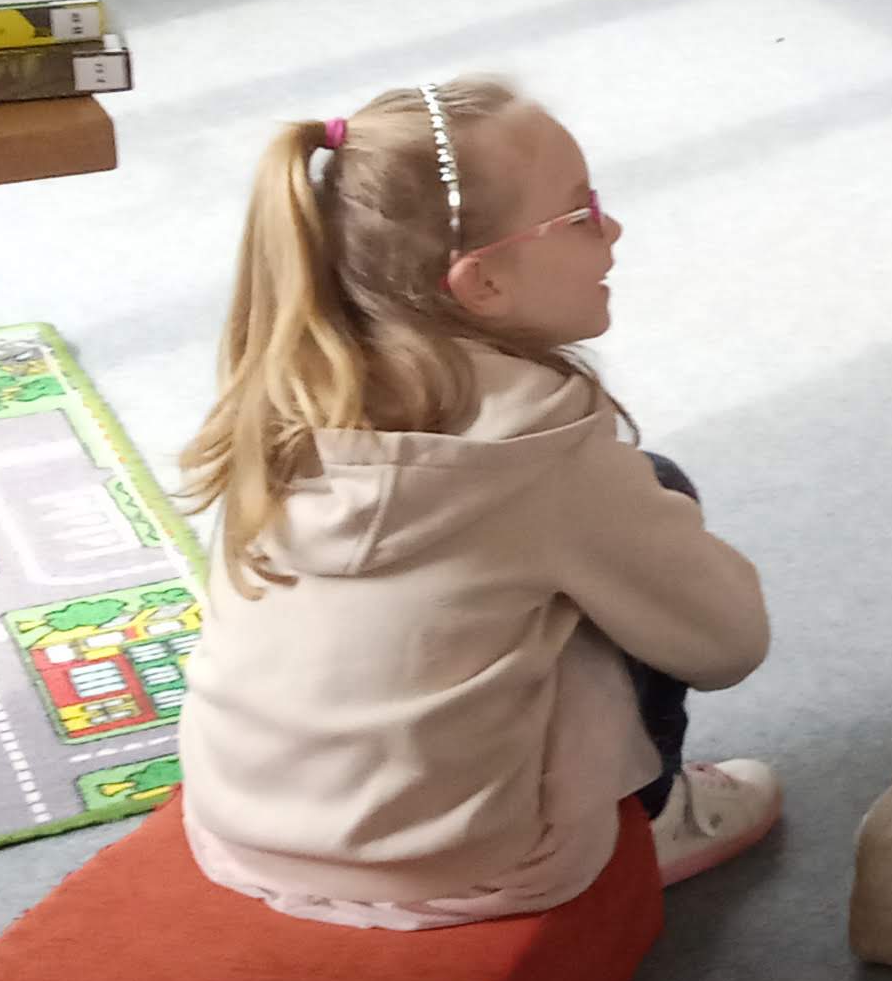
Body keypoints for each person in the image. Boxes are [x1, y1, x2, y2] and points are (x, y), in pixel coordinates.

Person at [176, 80, 779, 927]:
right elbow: (728, 644)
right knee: (651, 496)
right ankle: (658, 813)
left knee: (520, 572)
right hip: (473, 861)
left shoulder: (281, 394)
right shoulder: (544, 448)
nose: (611, 228)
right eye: (580, 213)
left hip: (242, 830)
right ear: (483, 282)